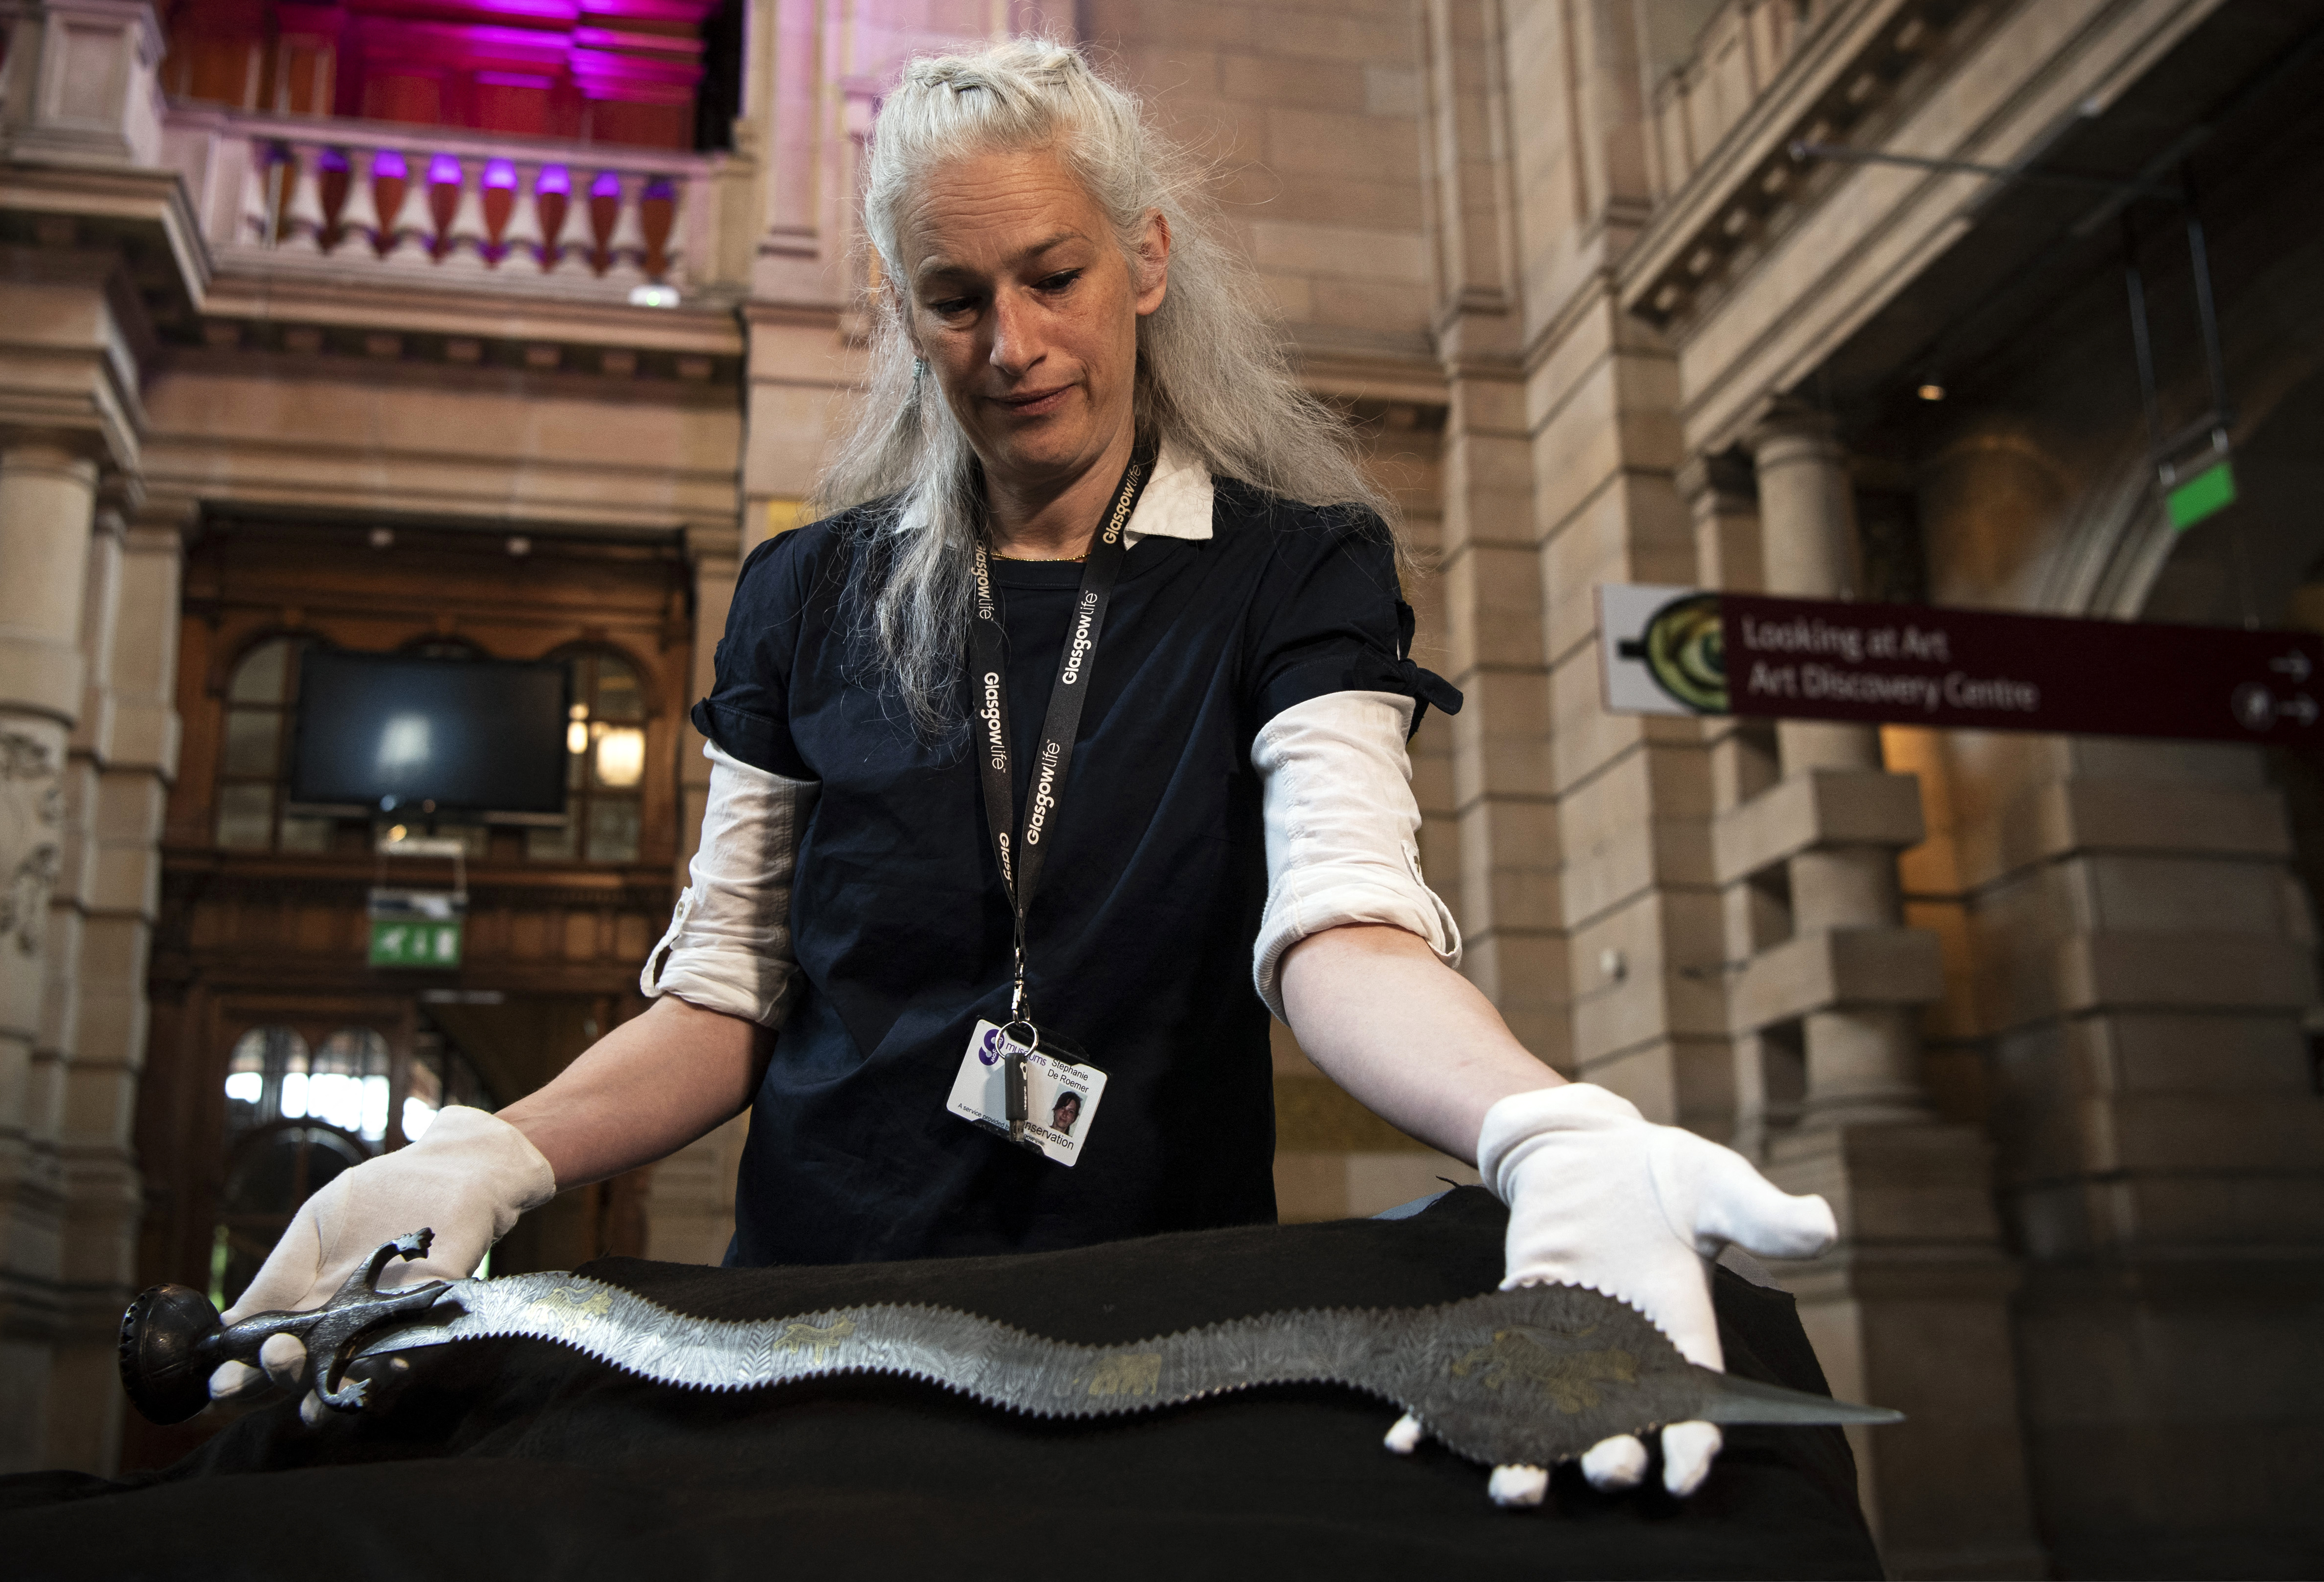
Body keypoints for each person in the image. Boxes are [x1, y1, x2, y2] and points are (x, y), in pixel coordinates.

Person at [212, 40, 1836, 1508]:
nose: (1010, 345)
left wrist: (1539, 1126)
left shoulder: (1293, 571)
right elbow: (725, 991)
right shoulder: (804, 591)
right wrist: (496, 1147)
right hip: (812, 1313)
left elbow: (1342, 924)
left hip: (1159, 1319)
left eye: (1052, 274)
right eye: (953, 295)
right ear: (898, 304)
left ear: (1145, 258)